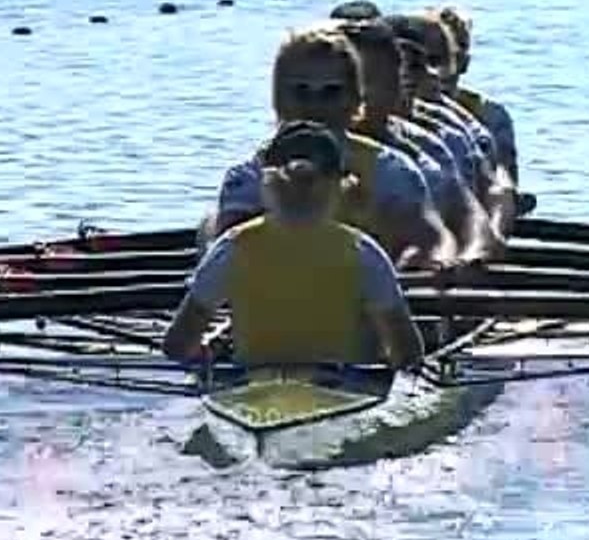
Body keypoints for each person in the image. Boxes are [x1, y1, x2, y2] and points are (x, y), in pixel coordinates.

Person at [164, 120, 426, 370]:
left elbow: (177, 346)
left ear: (267, 182)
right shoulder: (363, 252)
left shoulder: (231, 247)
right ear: (340, 186)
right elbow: (408, 352)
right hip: (341, 391)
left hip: (251, 392)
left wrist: (208, 353)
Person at [208, 23, 458, 270]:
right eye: (301, 91)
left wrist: (425, 263)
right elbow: (225, 252)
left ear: (355, 100)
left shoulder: (390, 171)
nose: (315, 105)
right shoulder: (248, 177)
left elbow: (435, 240)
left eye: (331, 92)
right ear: (278, 99)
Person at [334, 17, 505, 263]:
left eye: (366, 81)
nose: (355, 94)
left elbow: (473, 220)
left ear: (396, 85)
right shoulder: (290, 152)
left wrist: (467, 257)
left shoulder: (427, 150)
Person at [383, 15, 517, 237]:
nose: (407, 77)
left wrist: (487, 238)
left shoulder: (462, 133)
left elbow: (497, 191)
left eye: (432, 62)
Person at [431, 5, 520, 186]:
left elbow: (507, 179)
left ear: (465, 62)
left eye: (452, 55)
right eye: (433, 58)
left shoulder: (491, 115)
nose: (439, 71)